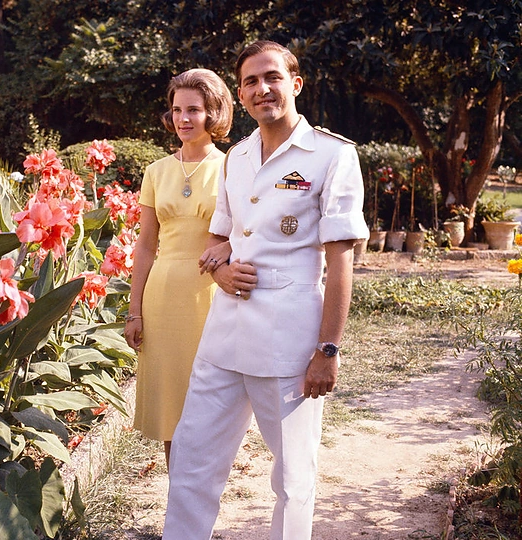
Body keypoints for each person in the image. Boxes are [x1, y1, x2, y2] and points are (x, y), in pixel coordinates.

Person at [161, 41, 370, 539]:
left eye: (272, 77)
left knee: (294, 476)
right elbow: (222, 237)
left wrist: (328, 350)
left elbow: (341, 262)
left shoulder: (331, 155)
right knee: (193, 461)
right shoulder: (237, 157)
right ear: (241, 93)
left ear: (295, 83)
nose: (263, 89)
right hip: (225, 333)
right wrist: (218, 270)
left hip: (290, 337)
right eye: (251, 82)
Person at [124, 68, 234, 468]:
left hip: (211, 296)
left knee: (209, 404)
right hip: (163, 296)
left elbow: (248, 232)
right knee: (172, 408)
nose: (183, 119)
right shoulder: (156, 171)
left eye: (194, 110)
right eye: (176, 110)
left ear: (213, 113)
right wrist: (134, 310)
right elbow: (146, 245)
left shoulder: (231, 167)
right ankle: (180, 512)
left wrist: (227, 248)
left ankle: (204, 504)